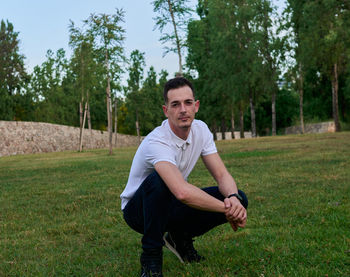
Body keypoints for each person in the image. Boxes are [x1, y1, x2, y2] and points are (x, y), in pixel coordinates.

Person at [120, 77, 248, 277]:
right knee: (159, 180)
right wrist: (228, 210)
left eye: (188, 103)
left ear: (196, 106)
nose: (183, 109)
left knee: (239, 196)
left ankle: (179, 239)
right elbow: (181, 192)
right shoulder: (157, 141)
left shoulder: (201, 130)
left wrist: (233, 199)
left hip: (169, 204)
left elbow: (222, 174)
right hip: (139, 211)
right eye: (175, 104)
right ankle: (151, 259)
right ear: (166, 110)